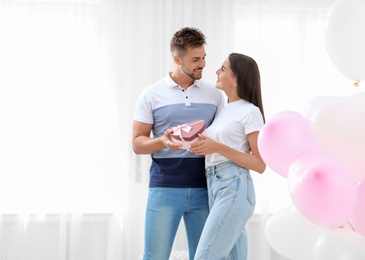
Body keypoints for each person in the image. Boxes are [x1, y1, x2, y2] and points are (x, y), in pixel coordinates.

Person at [132, 27, 225, 260]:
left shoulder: (214, 95)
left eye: (203, 57)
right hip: (164, 188)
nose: (202, 64)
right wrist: (162, 140)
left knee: (205, 256)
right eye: (195, 59)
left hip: (205, 189)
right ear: (177, 59)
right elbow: (137, 143)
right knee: (155, 256)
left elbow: (223, 138)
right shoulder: (151, 95)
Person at [189, 53, 266, 260]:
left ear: (236, 78)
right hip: (215, 185)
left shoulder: (251, 112)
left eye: (222, 69)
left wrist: (217, 147)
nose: (216, 71)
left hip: (234, 186)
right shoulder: (223, 111)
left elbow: (260, 164)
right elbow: (215, 147)